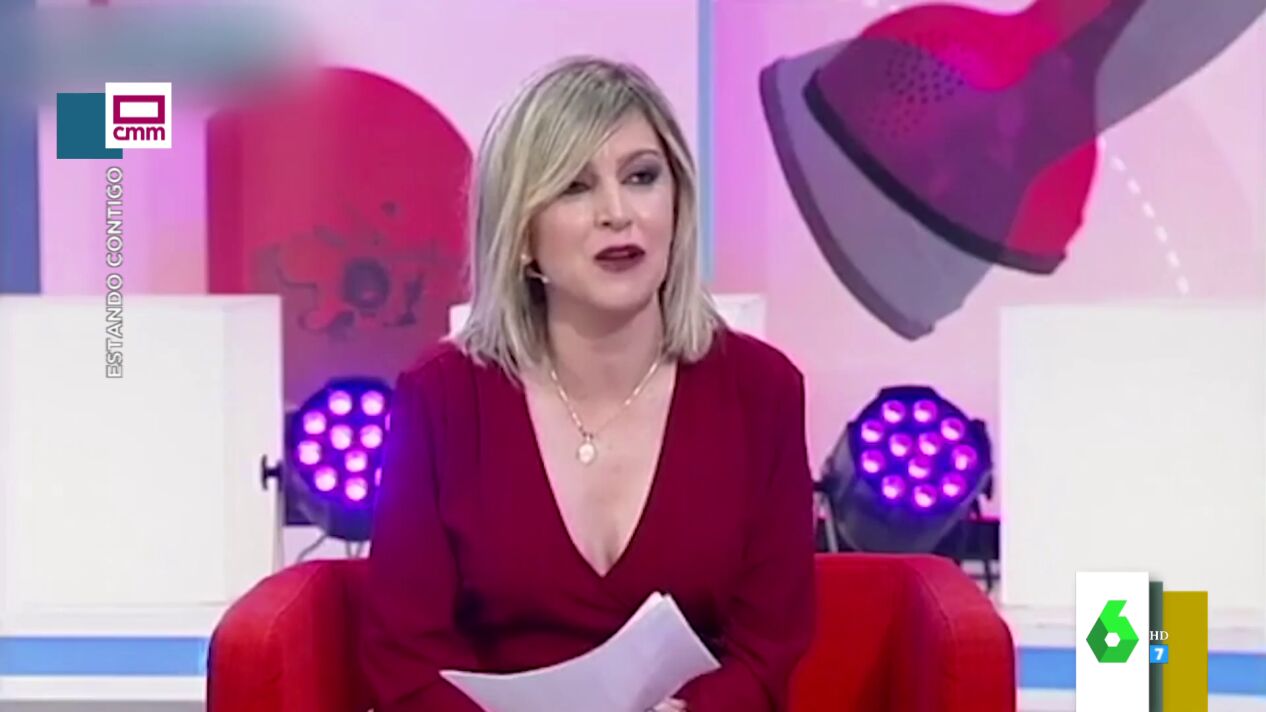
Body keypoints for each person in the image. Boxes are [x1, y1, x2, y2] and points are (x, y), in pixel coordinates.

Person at [360, 56, 816, 712]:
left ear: (679, 203)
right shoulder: (442, 400)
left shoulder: (762, 392)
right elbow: (405, 661)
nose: (617, 213)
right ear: (521, 234)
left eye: (642, 177)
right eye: (574, 187)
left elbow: (768, 652)